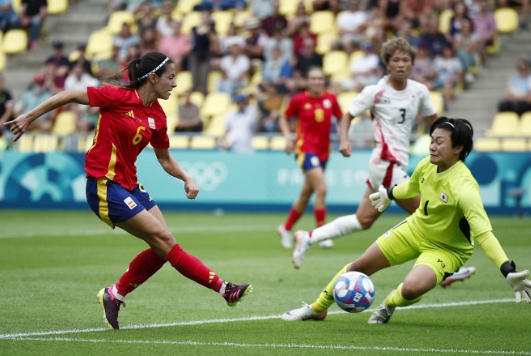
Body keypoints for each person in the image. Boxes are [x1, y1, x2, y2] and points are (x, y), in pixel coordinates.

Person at [4, 51, 252, 330]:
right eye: (170, 78)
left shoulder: (157, 115)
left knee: (162, 248)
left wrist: (186, 177)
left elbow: (165, 158)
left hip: (130, 185)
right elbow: (69, 95)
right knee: (164, 240)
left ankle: (114, 294)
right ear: (153, 78)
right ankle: (224, 289)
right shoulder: (117, 97)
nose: (174, 84)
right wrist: (29, 116)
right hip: (103, 185)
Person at [282, 117, 531, 324]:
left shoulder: (465, 188)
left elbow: (485, 234)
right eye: (431, 140)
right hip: (414, 230)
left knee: (411, 288)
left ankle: (389, 303)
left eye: (439, 142)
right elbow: (411, 186)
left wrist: (507, 269)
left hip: (447, 249)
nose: (432, 146)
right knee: (360, 265)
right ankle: (317, 308)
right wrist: (389, 194)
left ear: (458, 148)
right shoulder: (427, 165)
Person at [290, 37, 439, 269]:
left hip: (391, 164)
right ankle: (444, 268)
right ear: (387, 64)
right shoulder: (375, 91)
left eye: (406, 60)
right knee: (427, 214)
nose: (401, 64)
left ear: (412, 64)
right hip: (387, 163)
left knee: (364, 220)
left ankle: (308, 237)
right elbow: (348, 115)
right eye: (396, 60)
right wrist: (344, 140)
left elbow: (434, 121)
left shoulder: (419, 91)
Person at [277, 67, 343, 250]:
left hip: (324, 152)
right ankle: (322, 234)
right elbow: (283, 118)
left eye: (319, 78)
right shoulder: (299, 100)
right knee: (321, 188)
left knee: (306, 194)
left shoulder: (331, 99)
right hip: (305, 150)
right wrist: (288, 138)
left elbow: (342, 118)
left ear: (324, 81)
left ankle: (285, 228)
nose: (316, 81)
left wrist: (343, 136)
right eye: (313, 78)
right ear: (307, 81)